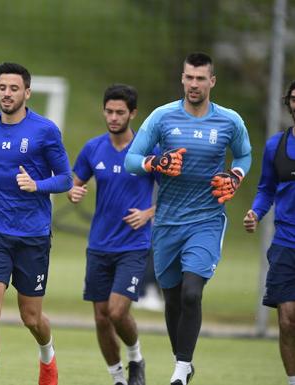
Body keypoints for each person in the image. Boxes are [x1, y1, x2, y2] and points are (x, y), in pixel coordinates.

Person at [124, 52, 252, 385]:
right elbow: (132, 159)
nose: (194, 84)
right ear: (182, 79)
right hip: (167, 221)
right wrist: (156, 163)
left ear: (212, 81)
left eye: (200, 78)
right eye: (188, 78)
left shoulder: (229, 121)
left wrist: (235, 175)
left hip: (207, 219)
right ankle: (182, 360)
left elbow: (244, 154)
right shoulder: (162, 117)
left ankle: (181, 370)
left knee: (192, 292)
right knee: (173, 298)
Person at [0, 62, 72, 385]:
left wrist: (37, 186)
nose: (7, 94)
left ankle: (47, 356)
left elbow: (66, 179)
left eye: (14, 88)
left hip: (32, 235)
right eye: (2, 88)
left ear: (26, 92)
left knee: (31, 317)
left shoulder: (45, 131)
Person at [68, 84, 153, 385]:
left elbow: (171, 193)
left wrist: (148, 213)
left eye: (120, 112)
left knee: (117, 312)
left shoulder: (147, 149)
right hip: (99, 244)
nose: (114, 117)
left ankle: (136, 358)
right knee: (101, 317)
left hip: (134, 245)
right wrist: (74, 192)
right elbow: (75, 183)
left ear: (133, 113)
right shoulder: (93, 148)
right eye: (109, 111)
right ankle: (117, 377)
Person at [244, 80, 295, 385]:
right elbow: (266, 189)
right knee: (287, 319)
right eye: (294, 98)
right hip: (286, 242)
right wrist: (255, 212)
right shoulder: (276, 145)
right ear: (288, 103)